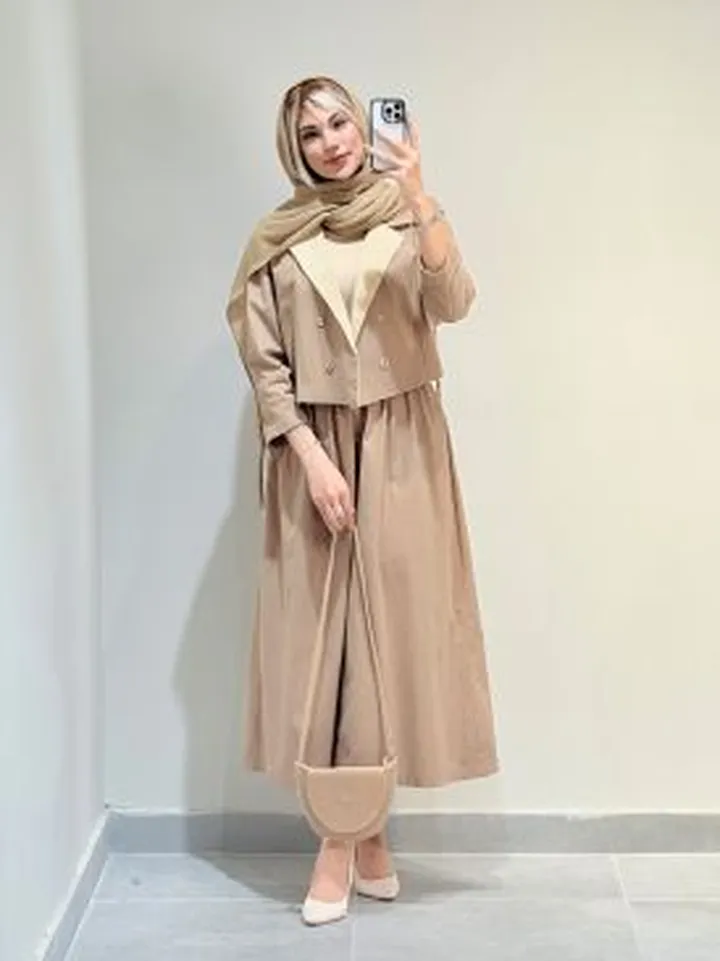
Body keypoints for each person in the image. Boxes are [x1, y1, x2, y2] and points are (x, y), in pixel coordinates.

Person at [225, 75, 499, 926]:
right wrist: (309, 456)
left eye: (341, 122)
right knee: (328, 643)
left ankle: (344, 843)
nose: (333, 142)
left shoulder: (406, 213)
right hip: (315, 452)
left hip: (405, 447)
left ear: (364, 125)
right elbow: (266, 364)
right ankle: (358, 838)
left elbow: (454, 302)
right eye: (311, 134)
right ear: (294, 149)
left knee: (388, 641)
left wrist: (418, 195)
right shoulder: (277, 238)